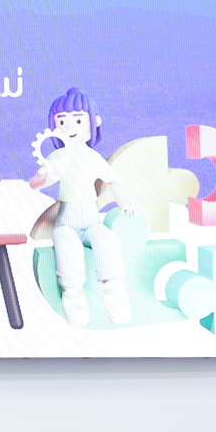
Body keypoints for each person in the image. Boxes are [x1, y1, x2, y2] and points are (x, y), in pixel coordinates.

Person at [28, 88, 137, 327]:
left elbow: (113, 180)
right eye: (62, 121)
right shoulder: (57, 157)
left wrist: (125, 203)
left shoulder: (92, 157)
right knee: (65, 242)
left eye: (77, 120)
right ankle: (73, 293)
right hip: (66, 221)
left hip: (91, 220)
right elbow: (34, 183)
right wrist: (48, 178)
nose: (69, 126)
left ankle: (114, 289)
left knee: (105, 238)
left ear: (94, 122)